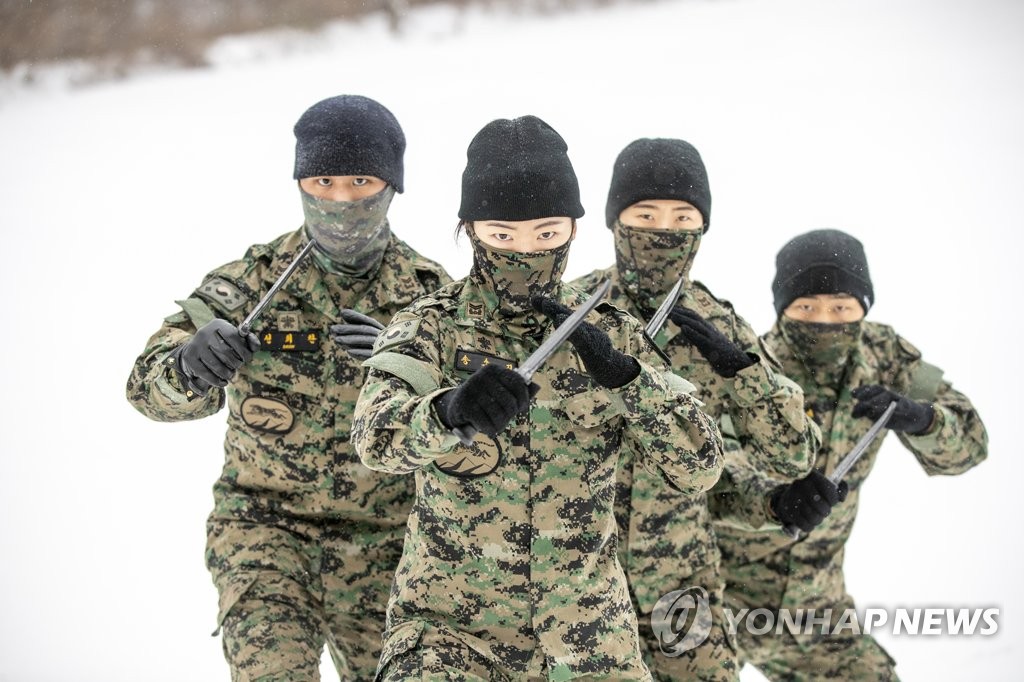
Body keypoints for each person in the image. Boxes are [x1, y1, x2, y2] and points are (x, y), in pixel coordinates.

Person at [351, 115, 724, 681]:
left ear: (574, 229)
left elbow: (699, 466)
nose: (526, 251)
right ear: (470, 229)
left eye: (547, 234)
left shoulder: (614, 333)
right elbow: (375, 439)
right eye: (503, 235)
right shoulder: (430, 326)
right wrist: (446, 411)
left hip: (591, 636)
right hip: (450, 631)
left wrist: (629, 379)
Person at [125, 94, 451, 681]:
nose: (341, 200)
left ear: (392, 185)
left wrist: (409, 367)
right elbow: (147, 390)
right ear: (301, 182)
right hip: (265, 533)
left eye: (360, 181)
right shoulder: (251, 282)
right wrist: (188, 366)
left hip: (390, 545)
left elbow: (473, 428)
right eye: (323, 180)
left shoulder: (430, 297)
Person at [571, 138, 817, 681]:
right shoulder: (570, 314)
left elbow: (792, 455)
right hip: (579, 591)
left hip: (683, 592)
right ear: (615, 220)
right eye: (645, 213)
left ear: (702, 228)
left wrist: (743, 373)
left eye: (683, 216)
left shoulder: (719, 326)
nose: (663, 231)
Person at [710, 228, 989, 681]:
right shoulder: (747, 367)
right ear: (782, 308)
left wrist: (923, 419)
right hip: (718, 598)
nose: (824, 320)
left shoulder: (887, 357)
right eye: (806, 306)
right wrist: (776, 500)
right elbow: (713, 475)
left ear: (864, 306)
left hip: (816, 609)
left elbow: (971, 445)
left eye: (841, 306)